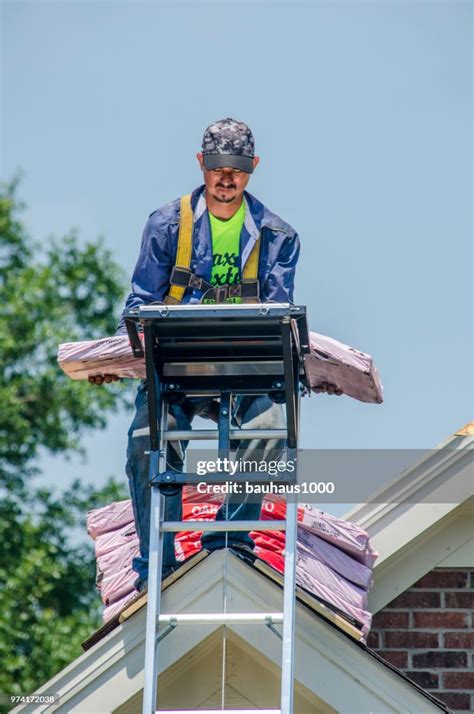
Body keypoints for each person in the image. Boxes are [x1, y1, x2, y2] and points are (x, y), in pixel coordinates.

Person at [91, 118, 341, 592]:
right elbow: (139, 302)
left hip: (246, 369)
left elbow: (278, 312)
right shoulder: (166, 225)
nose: (227, 178)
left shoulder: (276, 235)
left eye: (238, 169)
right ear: (202, 164)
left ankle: (228, 539)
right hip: (178, 369)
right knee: (144, 443)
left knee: (269, 432)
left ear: (253, 169)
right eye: (219, 167)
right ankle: (160, 561)